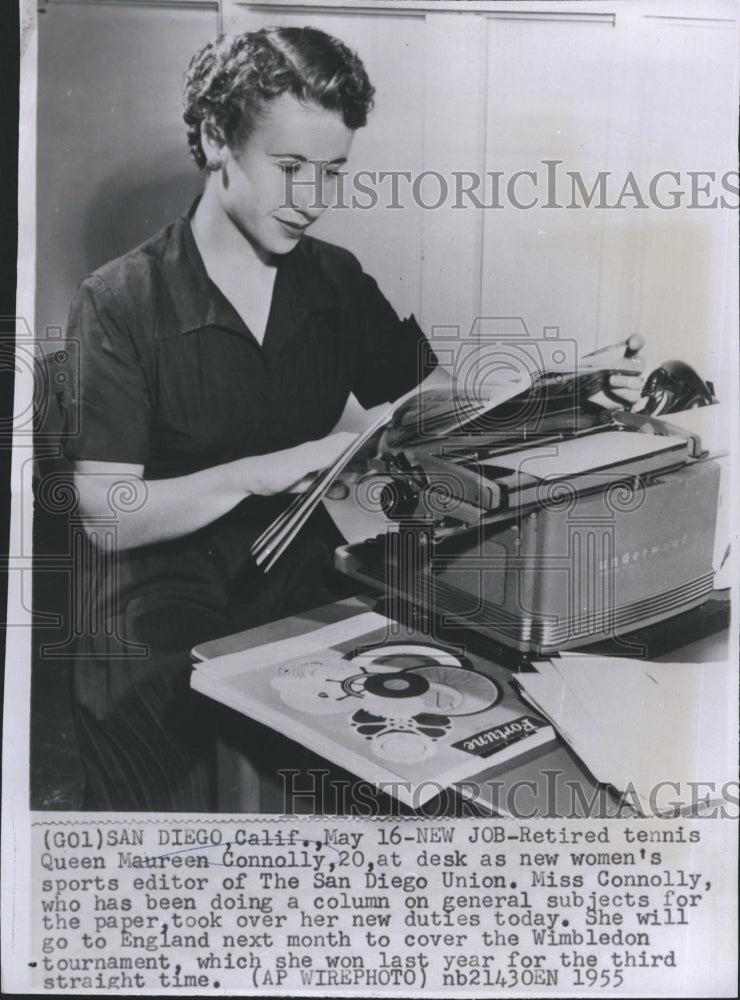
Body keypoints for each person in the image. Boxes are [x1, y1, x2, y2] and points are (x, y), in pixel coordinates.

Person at [61, 27, 437, 811]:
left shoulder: (335, 278)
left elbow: (429, 407)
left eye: (333, 173)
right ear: (214, 139)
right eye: (291, 168)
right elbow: (104, 513)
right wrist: (258, 471)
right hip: (152, 604)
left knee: (413, 709)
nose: (313, 200)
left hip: (298, 572)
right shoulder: (119, 301)